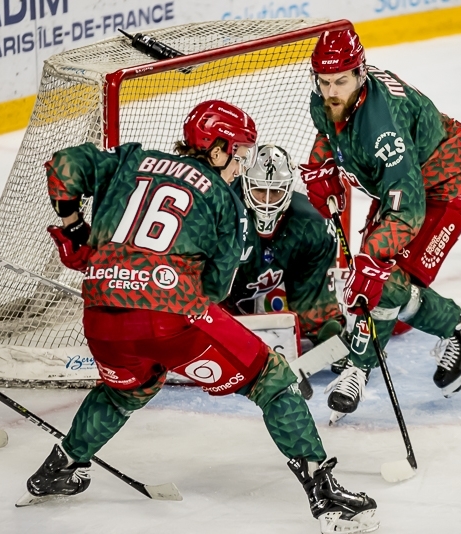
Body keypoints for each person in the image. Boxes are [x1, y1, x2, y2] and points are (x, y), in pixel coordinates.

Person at [19, 100, 380, 534]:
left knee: (125, 391)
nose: (239, 168)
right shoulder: (226, 200)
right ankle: (325, 497)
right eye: (239, 156)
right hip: (169, 316)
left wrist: (74, 226)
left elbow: (63, 165)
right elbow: (214, 291)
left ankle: (60, 467)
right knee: (272, 379)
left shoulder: (130, 160)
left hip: (99, 317)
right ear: (217, 149)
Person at [299, 28, 461, 423]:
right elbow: (329, 131)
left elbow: (407, 208)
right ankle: (393, 334)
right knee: (382, 293)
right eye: (324, 81)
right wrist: (322, 163)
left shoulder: (382, 127)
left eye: (340, 81)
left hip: (444, 187)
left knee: (383, 280)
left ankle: (371, 365)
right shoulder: (327, 99)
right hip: (403, 182)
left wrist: (374, 260)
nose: (331, 91)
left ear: (361, 74)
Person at [225, 144, 345, 350]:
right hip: (216, 302)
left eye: (276, 191)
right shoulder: (223, 209)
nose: (267, 200)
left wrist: (328, 335)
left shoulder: (311, 225)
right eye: (259, 189)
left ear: (288, 189)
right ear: (245, 184)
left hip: (264, 294)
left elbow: (312, 296)